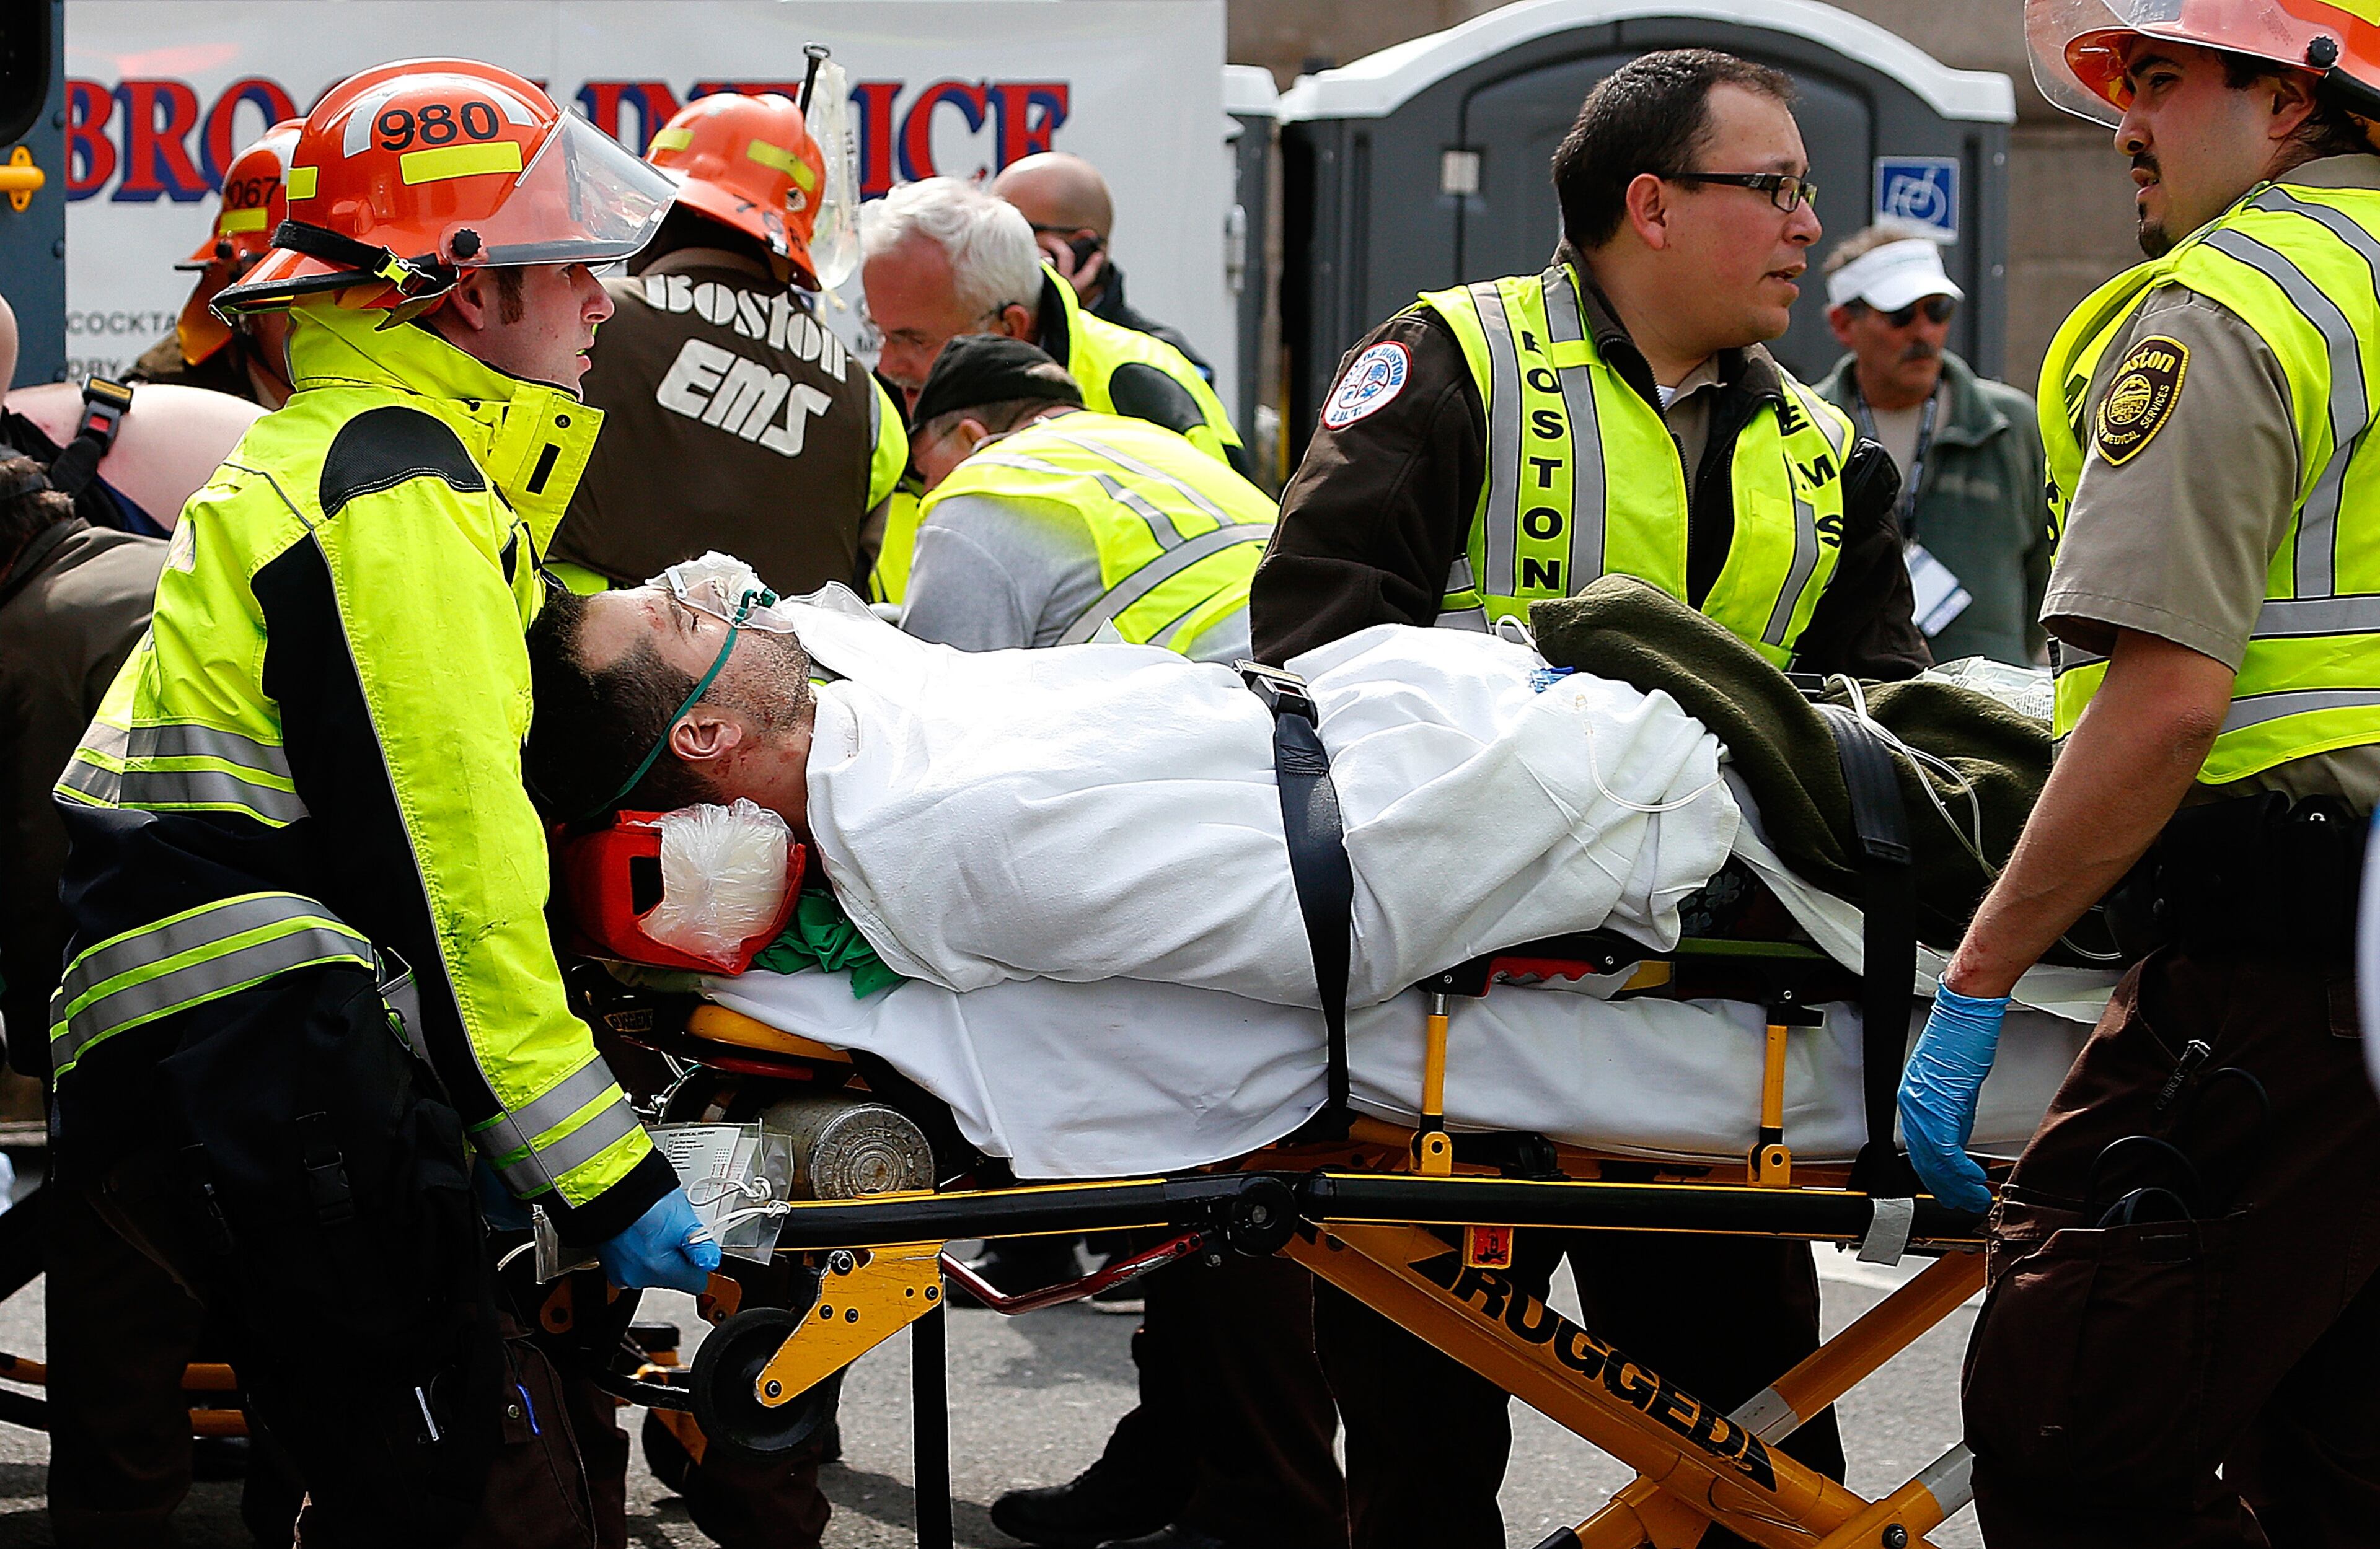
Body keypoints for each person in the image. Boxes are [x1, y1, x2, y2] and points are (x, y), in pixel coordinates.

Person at [1249, 47, 1926, 1549]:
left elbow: (1885, 728)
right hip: (1446, 1036)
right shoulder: (1451, 365)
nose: (1807, 226)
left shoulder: (1824, 460)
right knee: (1420, 1463)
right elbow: (1306, 654)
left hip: (1707, 1051)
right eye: (1773, 189)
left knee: (1755, 1457)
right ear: (1651, 206)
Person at [46, 59, 718, 1548]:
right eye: (570, 269)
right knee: (459, 1494)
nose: (606, 303)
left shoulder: (343, 463)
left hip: (207, 1045)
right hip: (272, 1052)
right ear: (463, 293)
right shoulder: (396, 494)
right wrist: (603, 1173)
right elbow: (456, 885)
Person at [1898, 6, 2380, 1545]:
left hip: (2279, 958)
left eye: (2160, 80)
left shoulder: (2227, 309)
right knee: (2340, 1442)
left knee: (2070, 1417)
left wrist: (1978, 981)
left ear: (2292, 101)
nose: (2123, 122)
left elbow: (2164, 703)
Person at [552, 90, 906, 599]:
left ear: (658, 210)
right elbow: (863, 578)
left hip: (579, 660)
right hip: (786, 674)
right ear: (790, 246)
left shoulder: (585, 317)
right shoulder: (865, 400)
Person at [859, 178, 1253, 589]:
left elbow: (1234, 561)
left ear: (1010, 327)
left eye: (915, 340)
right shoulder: (874, 423)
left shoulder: (1141, 386)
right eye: (880, 333)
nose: (887, 364)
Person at [900, 335, 1269, 659]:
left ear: (970, 437)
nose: (926, 492)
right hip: (1313, 678)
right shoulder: (1156, 442)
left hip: (1238, 715)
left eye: (923, 472)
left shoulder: (982, 487)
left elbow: (935, 707)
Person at [1814, 225, 2052, 666]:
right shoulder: (1807, 427)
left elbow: (2049, 568)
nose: (1924, 332)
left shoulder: (2011, 426)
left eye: (1938, 311)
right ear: (1843, 324)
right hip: (1847, 701)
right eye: (1900, 315)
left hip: (1983, 709)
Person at [991, 150, 1216, 382]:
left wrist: (1059, 311)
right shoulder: (987, 328)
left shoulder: (1161, 359)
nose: (992, 249)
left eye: (1015, 233)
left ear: (1082, 248)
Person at [126, 119, 304, 409]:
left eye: (352, 290)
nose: (324, 317)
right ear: (236, 293)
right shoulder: (164, 406)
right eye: (293, 286)